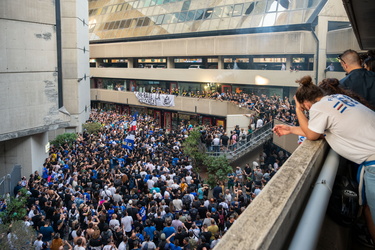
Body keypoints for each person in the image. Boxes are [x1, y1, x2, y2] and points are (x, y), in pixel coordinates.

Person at [273, 75, 375, 246]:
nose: (306, 112)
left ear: (306, 103)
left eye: (304, 108)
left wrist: (298, 110)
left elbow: (312, 135)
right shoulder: (336, 98)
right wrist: (291, 129)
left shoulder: (318, 108)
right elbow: (318, 131)